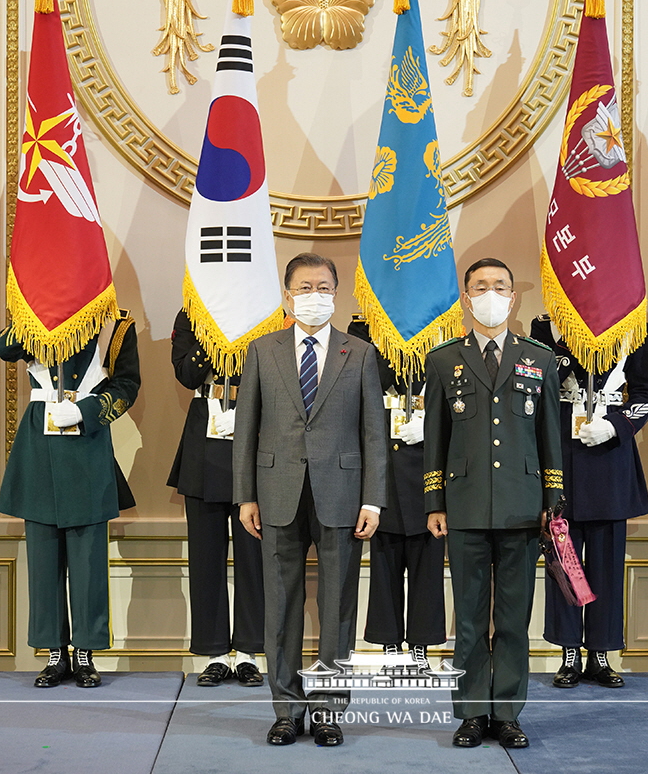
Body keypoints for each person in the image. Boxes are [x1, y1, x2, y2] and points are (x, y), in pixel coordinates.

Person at [233, 252, 388, 747]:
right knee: (280, 605)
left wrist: (374, 500)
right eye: (304, 287)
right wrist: (245, 496)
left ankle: (327, 709)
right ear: (287, 294)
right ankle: (286, 709)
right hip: (276, 493)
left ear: (336, 294)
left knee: (338, 606)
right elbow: (246, 429)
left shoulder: (359, 353)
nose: (314, 296)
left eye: (323, 287)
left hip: (343, 496)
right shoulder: (262, 350)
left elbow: (374, 434)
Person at [424, 258, 562, 749]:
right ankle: (470, 713)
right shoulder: (442, 360)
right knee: (467, 619)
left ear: (513, 296)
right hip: (462, 507)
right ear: (465, 296)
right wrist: (433, 501)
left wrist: (554, 499)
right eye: (480, 286)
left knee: (512, 619)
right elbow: (434, 438)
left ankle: (506, 712)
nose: (490, 293)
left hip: (524, 508)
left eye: (500, 286)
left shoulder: (540, 359)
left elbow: (550, 438)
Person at [0, 310, 140, 688]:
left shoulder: (116, 323)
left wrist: (86, 411)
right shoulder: (33, 316)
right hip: (39, 444)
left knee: (88, 557)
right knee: (42, 558)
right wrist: (36, 318)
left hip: (86, 442)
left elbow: (126, 385)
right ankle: (54, 652)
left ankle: (86, 652)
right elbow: (2, 347)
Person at [531, 316, 648, 689]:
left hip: (609, 456)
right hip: (562, 453)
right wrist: (569, 340)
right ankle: (569, 651)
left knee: (606, 564)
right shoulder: (546, 327)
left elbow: (647, 391)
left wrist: (618, 424)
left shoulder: (632, 327)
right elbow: (538, 386)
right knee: (563, 560)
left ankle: (600, 653)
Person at [167, 308, 265, 686]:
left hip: (255, 433)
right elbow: (186, 373)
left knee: (253, 555)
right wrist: (214, 333)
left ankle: (248, 652)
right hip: (204, 436)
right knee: (205, 556)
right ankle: (215, 653)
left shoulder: (264, 307)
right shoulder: (192, 313)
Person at [347, 316, 446, 669]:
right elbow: (371, 377)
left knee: (428, 565)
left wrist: (431, 425)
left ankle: (420, 644)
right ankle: (390, 644)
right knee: (384, 563)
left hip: (427, 466)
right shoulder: (364, 328)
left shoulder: (444, 326)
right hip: (384, 463)